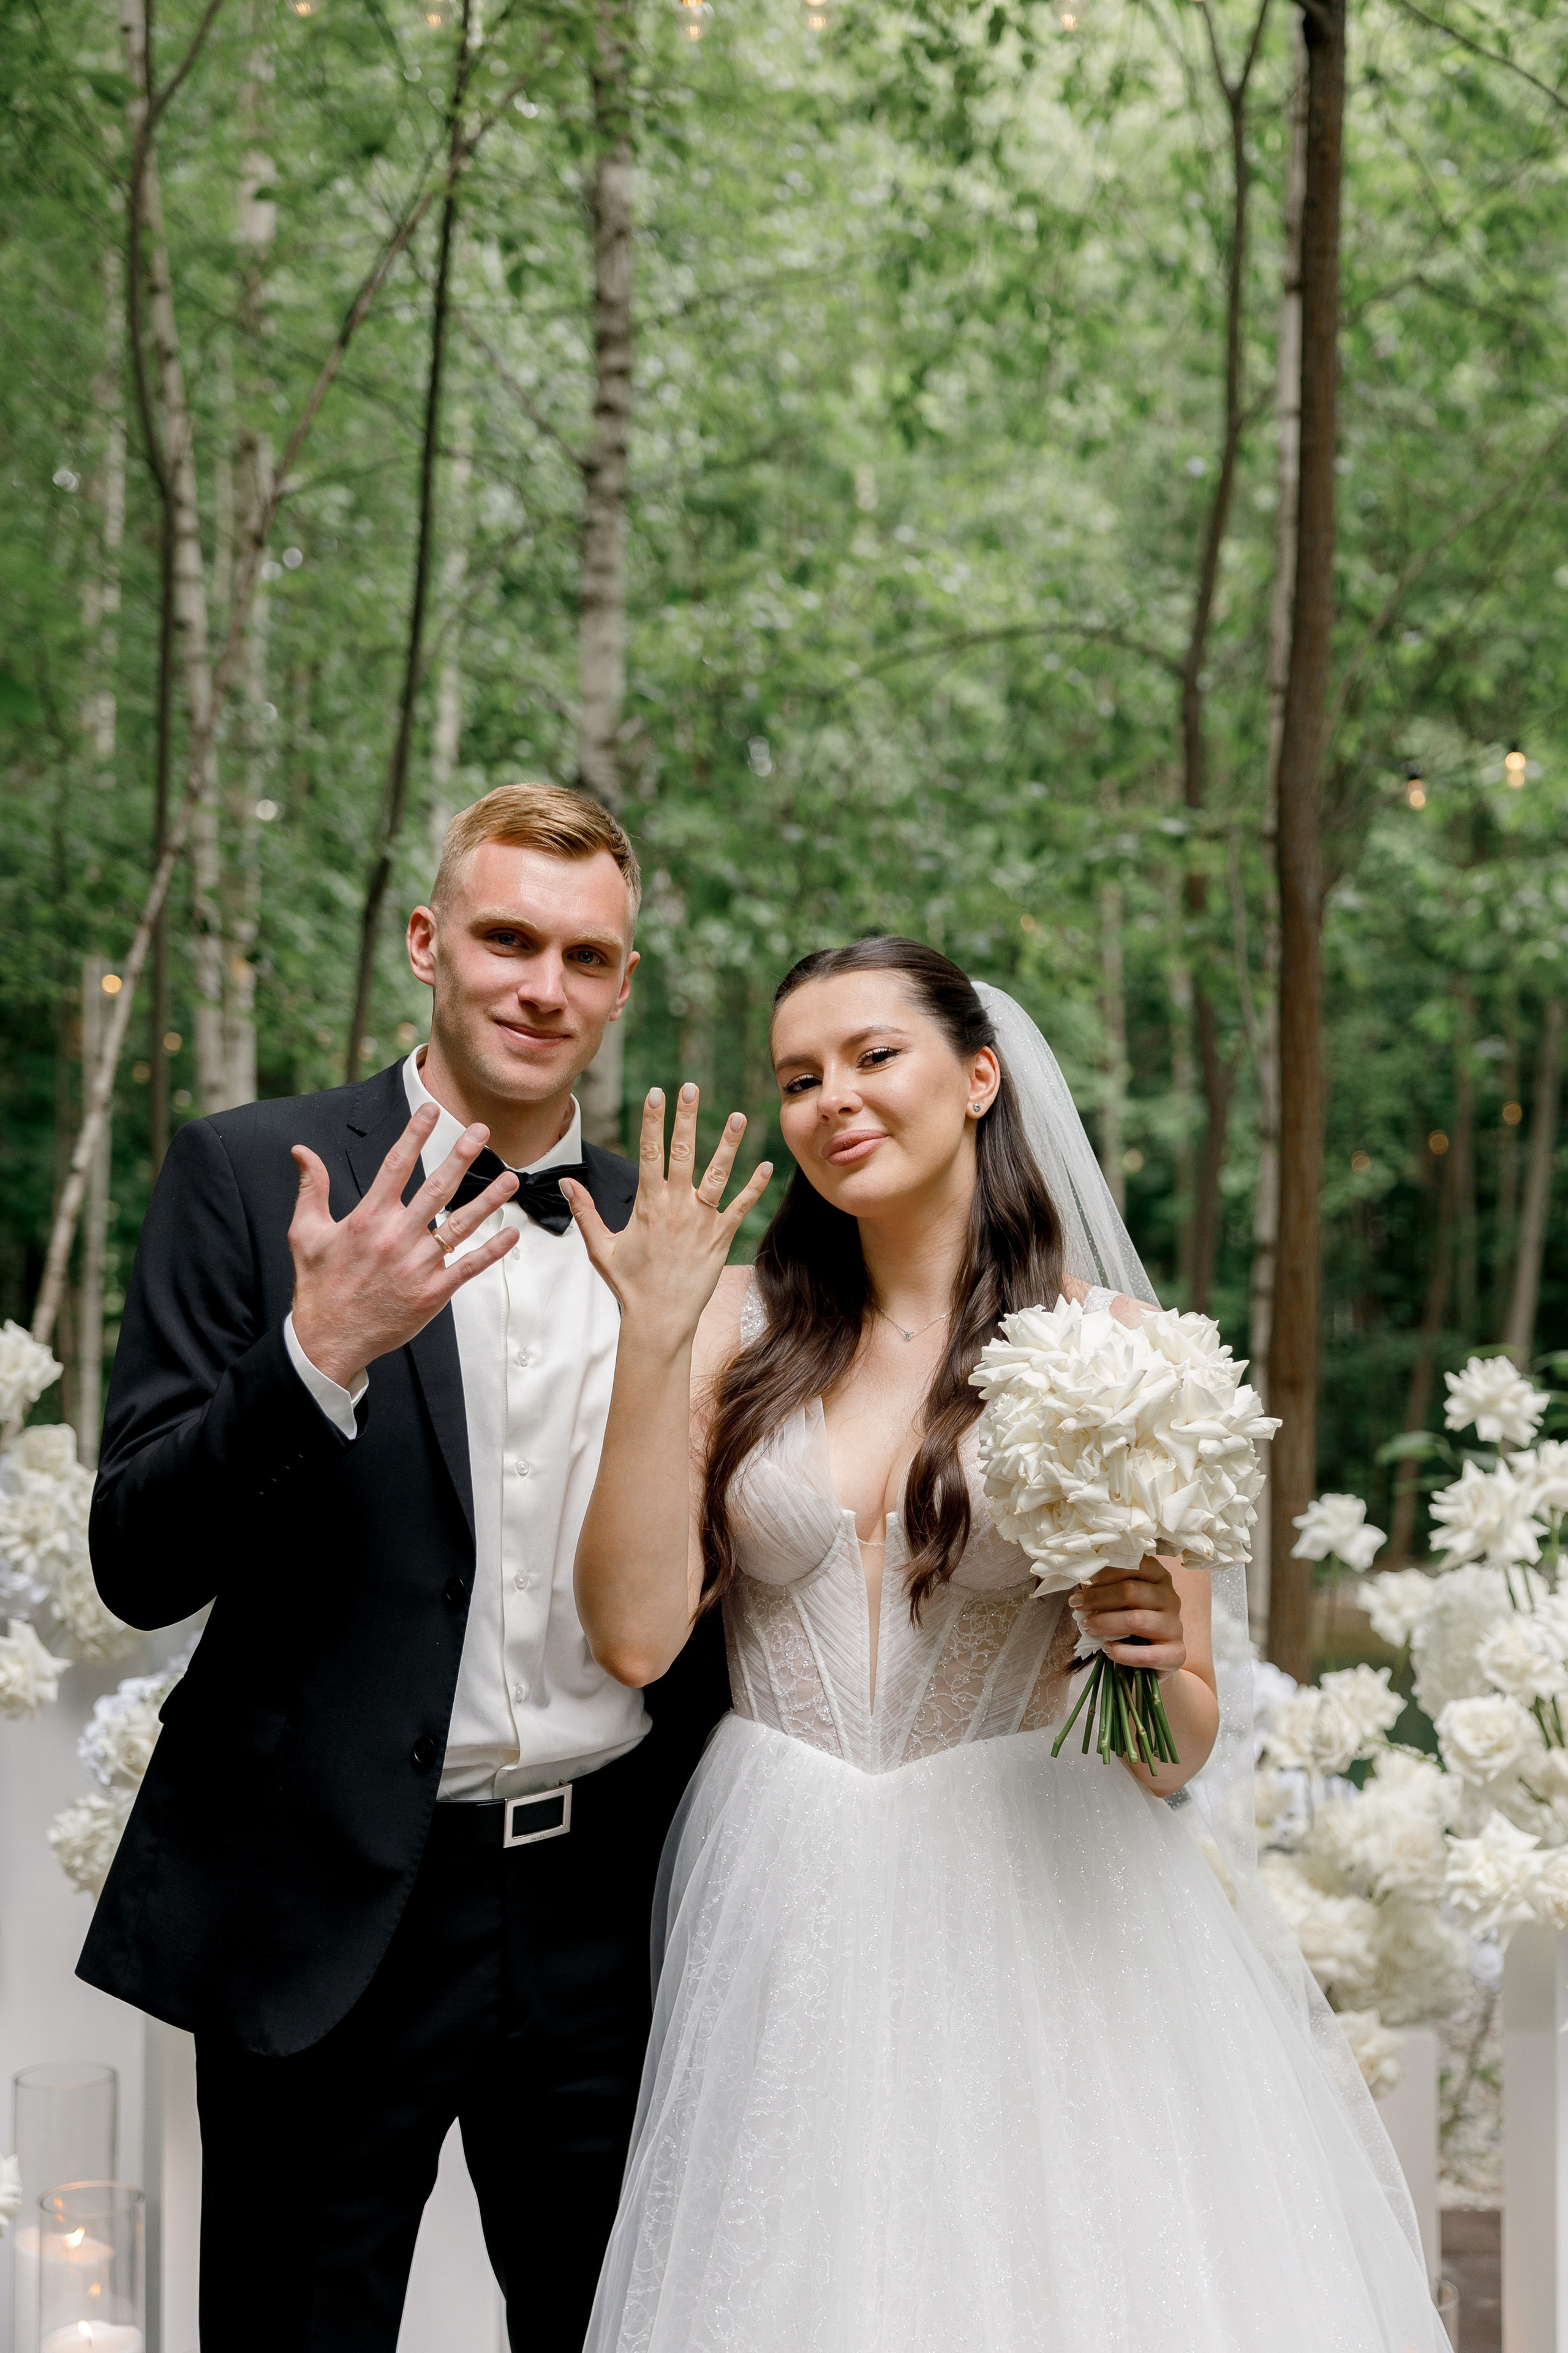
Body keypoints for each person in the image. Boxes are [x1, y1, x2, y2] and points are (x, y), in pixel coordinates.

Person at [564, 934, 1449, 2353]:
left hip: (1033, 1884)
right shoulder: (735, 1326)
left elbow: (1167, 1750)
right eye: (797, 1076)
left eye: (871, 1056)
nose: (831, 1100)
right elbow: (629, 1631)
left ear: (977, 1075)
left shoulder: (1115, 1351)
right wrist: (652, 1342)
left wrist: (1148, 1658)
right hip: (778, 1869)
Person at [81, 784, 732, 2353]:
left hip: (610, 1910)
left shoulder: (679, 1226)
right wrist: (317, 1352)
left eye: (586, 956)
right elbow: (136, 1558)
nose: (541, 985)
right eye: (507, 939)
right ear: (430, 945)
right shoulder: (254, 1174)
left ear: (623, 985)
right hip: (328, 1901)